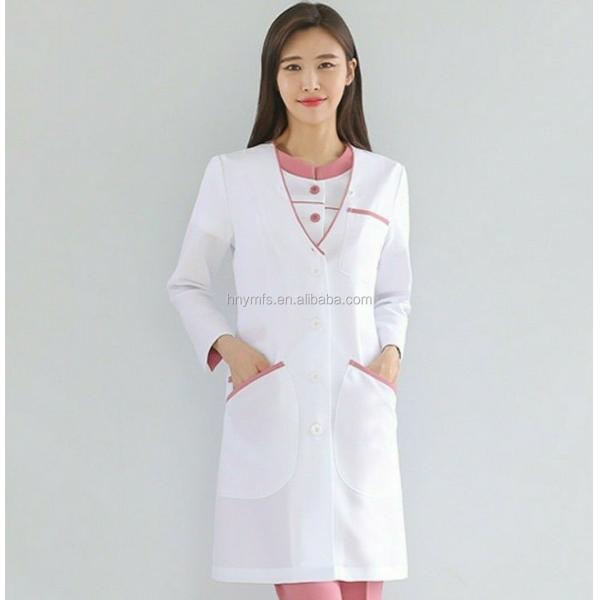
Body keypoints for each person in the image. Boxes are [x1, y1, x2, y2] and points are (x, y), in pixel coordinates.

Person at [166, 3, 413, 599]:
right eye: (292, 66)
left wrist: (390, 356)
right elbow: (187, 282)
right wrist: (229, 347)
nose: (309, 82)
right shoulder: (234, 176)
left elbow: (394, 291)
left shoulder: (386, 179)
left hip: (357, 417)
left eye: (325, 64)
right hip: (274, 410)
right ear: (272, 76)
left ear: (350, 71)